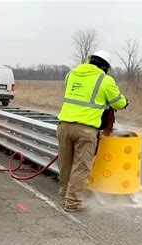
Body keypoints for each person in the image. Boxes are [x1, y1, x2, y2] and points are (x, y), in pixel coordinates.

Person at [57, 50, 129, 212]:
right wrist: (126, 102)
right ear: (105, 67)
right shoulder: (105, 80)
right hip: (86, 129)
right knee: (81, 167)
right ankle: (73, 202)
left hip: (64, 126)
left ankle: (63, 195)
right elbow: (118, 102)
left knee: (65, 163)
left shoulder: (71, 74)